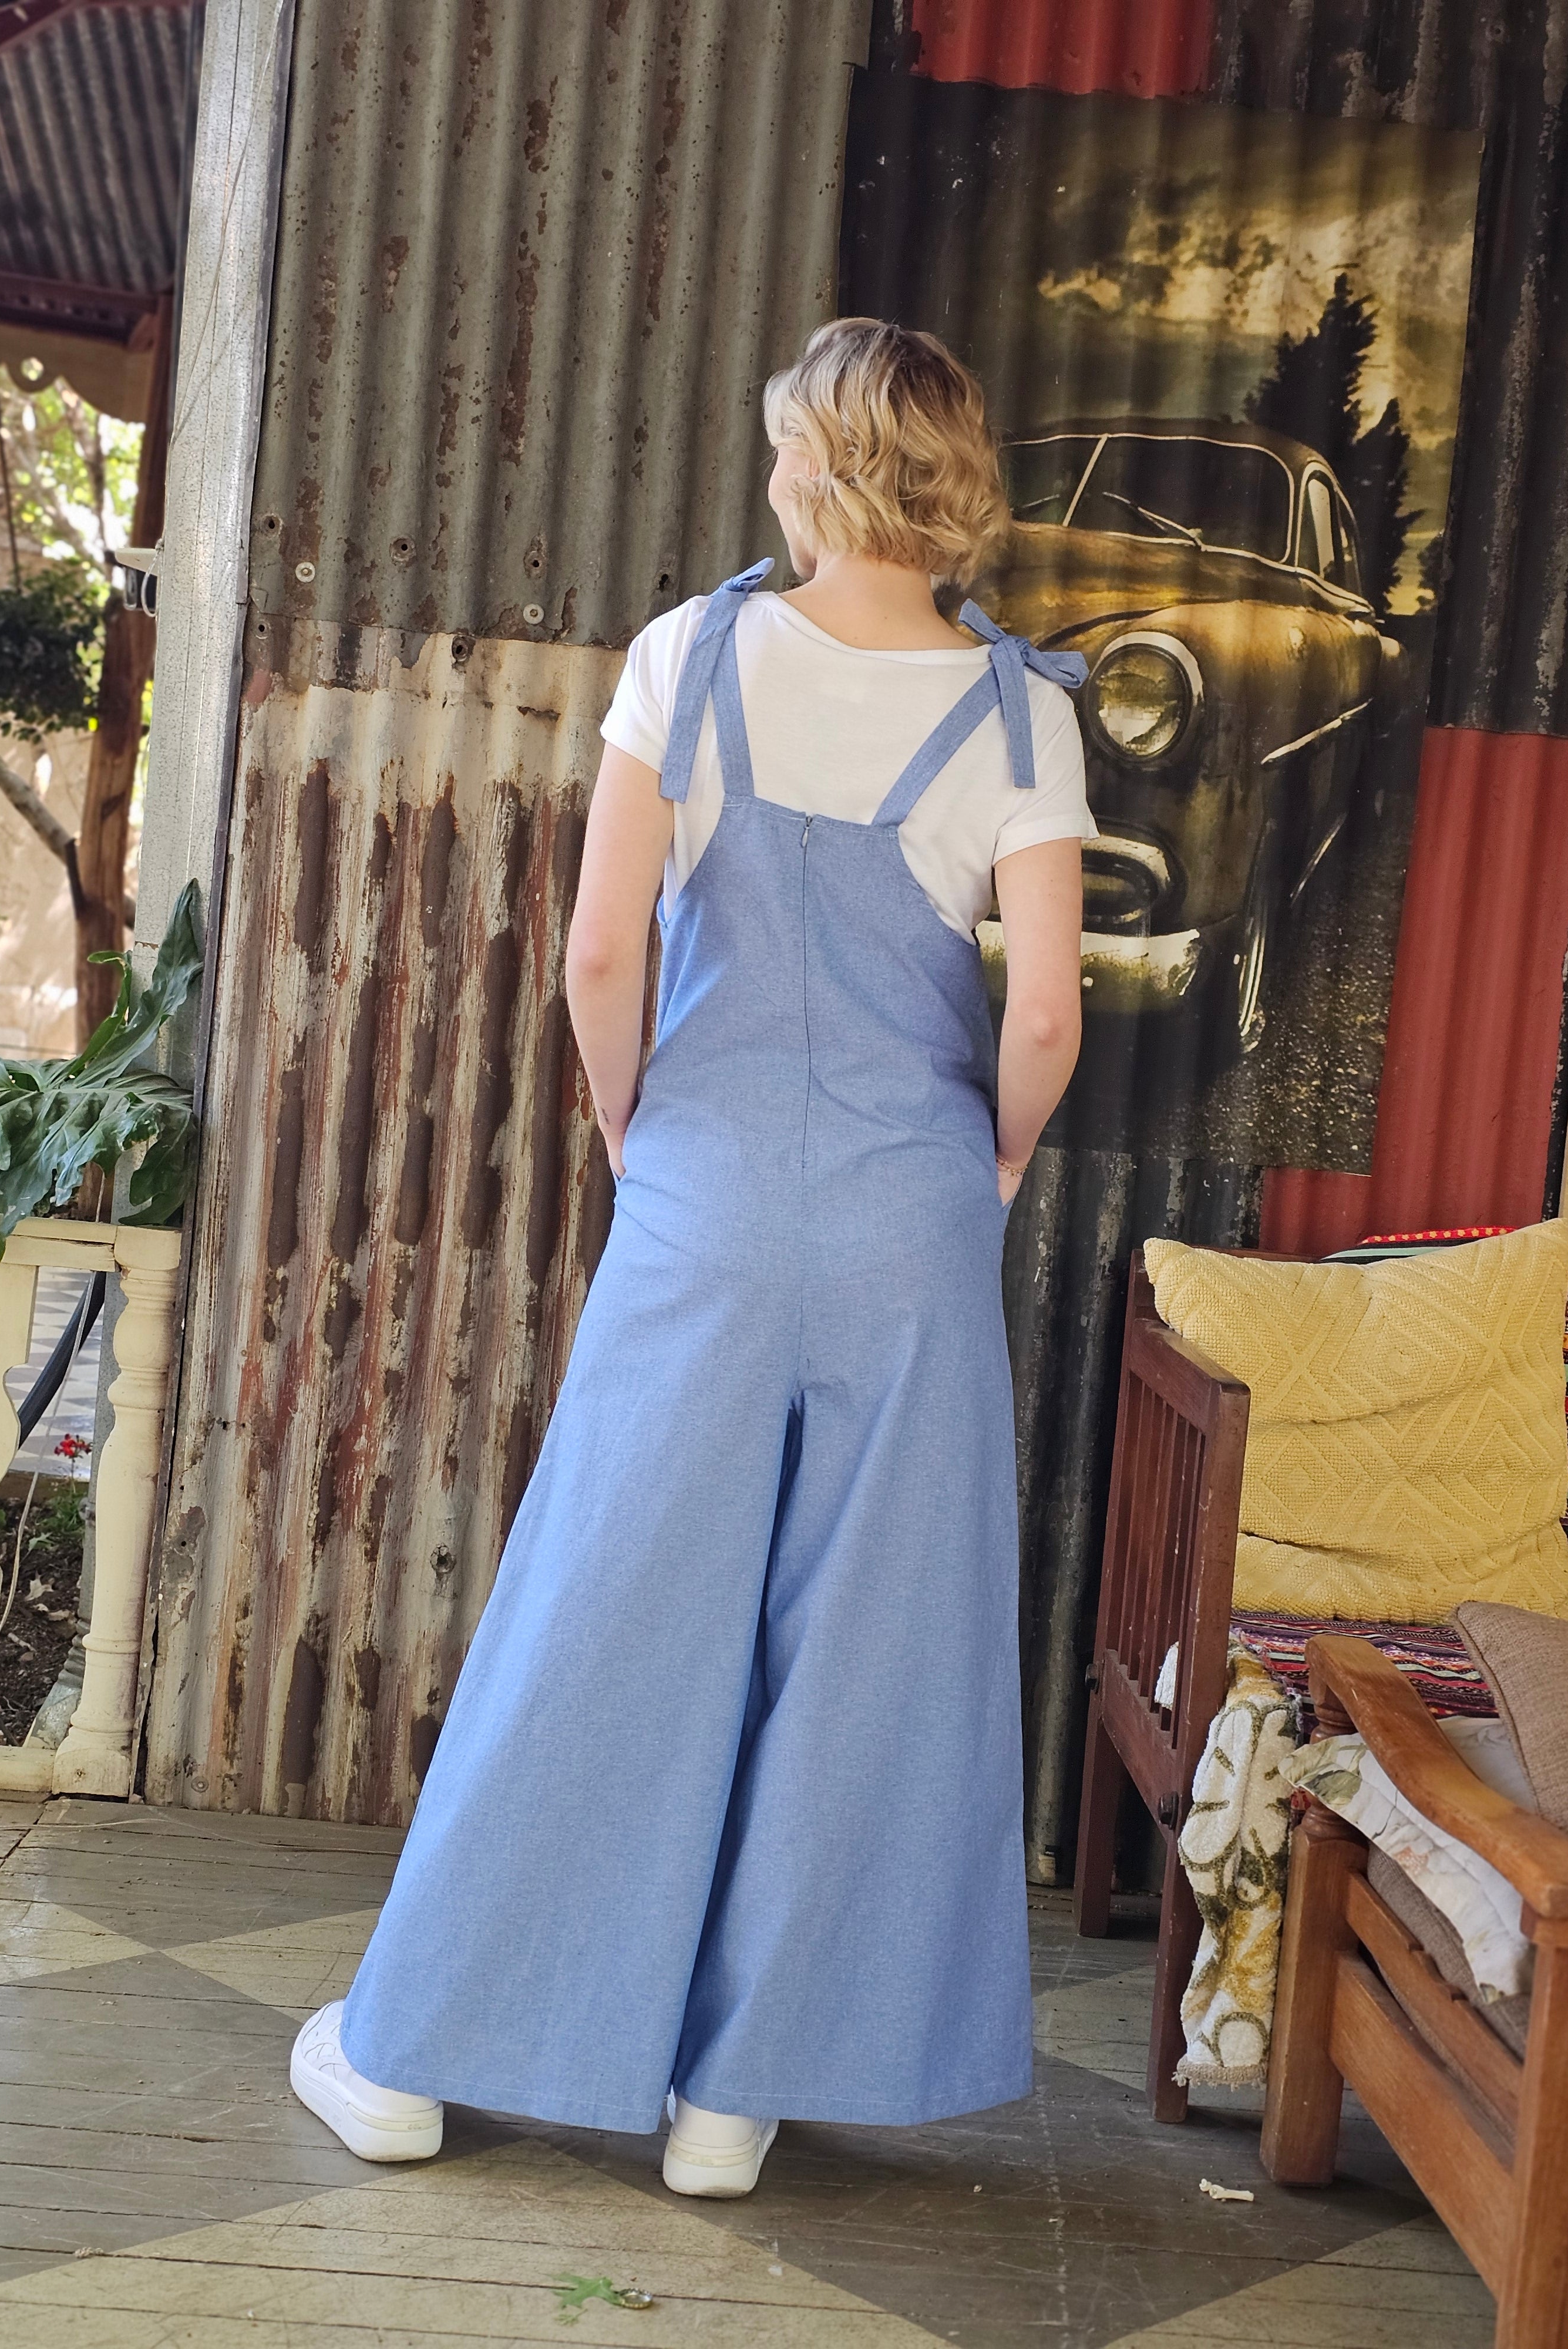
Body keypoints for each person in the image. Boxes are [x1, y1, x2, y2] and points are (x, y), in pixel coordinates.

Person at [290, 319, 1091, 2196]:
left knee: (602, 1608)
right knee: (869, 1647)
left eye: (784, 449)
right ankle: (735, 2101)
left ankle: (408, 2058)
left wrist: (636, 1133)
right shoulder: (1021, 713)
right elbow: (1046, 1016)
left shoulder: (693, 654)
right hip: (911, 1219)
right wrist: (986, 1168)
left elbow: (600, 953)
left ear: (818, 467)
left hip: (704, 1199)